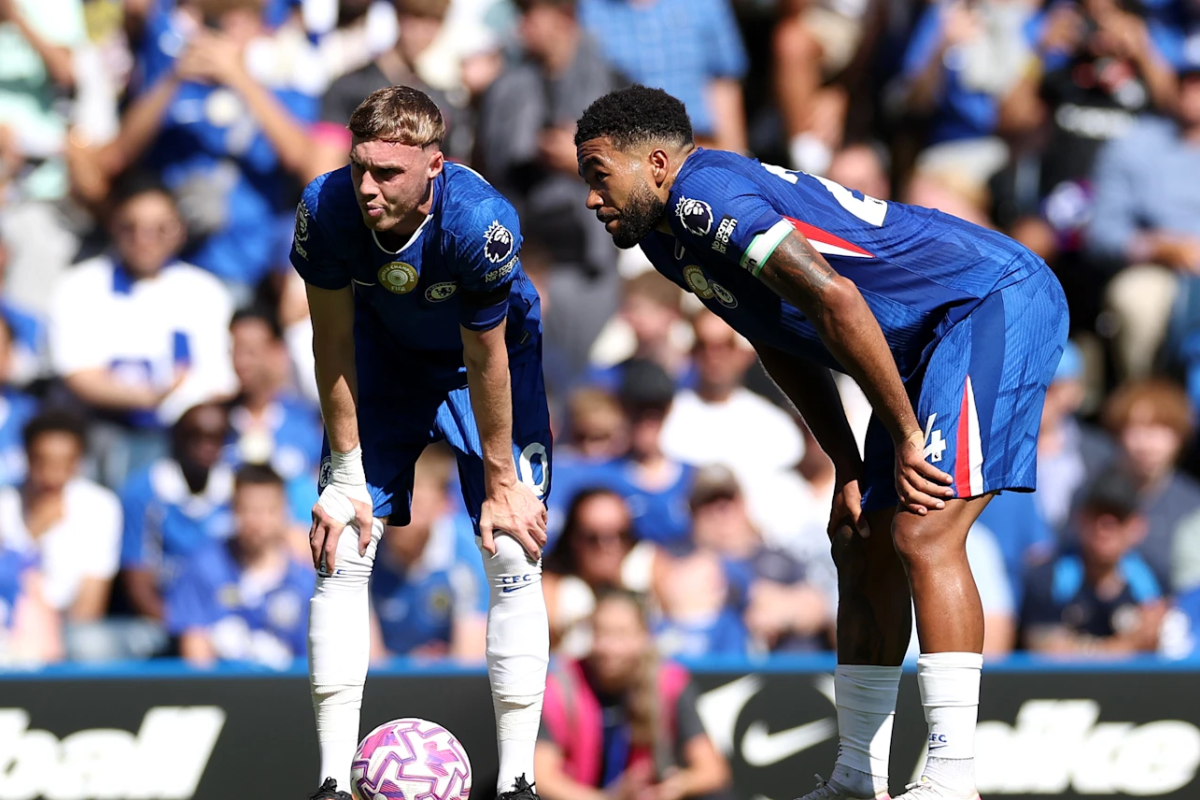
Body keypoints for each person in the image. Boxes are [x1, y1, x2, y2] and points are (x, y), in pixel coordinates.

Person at [574, 86, 1069, 800]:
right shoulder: (664, 238)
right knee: (860, 534)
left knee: (924, 532)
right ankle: (856, 780)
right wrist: (844, 460)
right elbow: (778, 337)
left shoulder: (698, 195)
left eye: (598, 173)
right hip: (919, 344)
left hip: (987, 302)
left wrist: (901, 435)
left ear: (656, 163)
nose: (592, 197)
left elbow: (834, 297)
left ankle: (952, 779)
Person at [291, 86, 552, 800]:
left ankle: (519, 781)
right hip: (384, 362)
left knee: (511, 541)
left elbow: (488, 354)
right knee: (341, 541)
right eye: (360, 168)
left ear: (434, 166)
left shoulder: (480, 223)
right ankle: (332, 783)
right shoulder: (325, 207)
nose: (367, 188)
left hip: (485, 370)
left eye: (388, 174)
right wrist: (344, 473)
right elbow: (331, 338)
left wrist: (502, 480)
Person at [48, 176, 237, 487]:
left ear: (180, 230)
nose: (144, 239)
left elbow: (219, 380)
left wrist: (162, 399)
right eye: (131, 227)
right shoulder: (79, 286)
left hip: (175, 437)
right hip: (97, 430)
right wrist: (153, 396)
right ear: (113, 226)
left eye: (160, 228)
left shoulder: (205, 291)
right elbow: (78, 375)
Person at [536, 588, 731, 800]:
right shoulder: (563, 687)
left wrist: (674, 787)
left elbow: (713, 770)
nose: (608, 648)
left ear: (644, 636)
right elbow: (541, 777)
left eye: (621, 634)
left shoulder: (669, 684)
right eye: (600, 632)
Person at [168, 464, 314, 669]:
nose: (258, 521)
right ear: (233, 509)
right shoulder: (205, 567)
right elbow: (195, 656)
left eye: (268, 510)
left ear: (284, 511)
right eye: (248, 510)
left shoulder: (306, 575)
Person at [1020, 469, 1164, 655]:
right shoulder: (1048, 578)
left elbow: (1158, 647)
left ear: (1137, 526)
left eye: (1118, 518)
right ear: (1079, 519)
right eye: (1097, 515)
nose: (1104, 528)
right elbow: (1046, 651)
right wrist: (1124, 647)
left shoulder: (1153, 582)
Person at [118, 402, 236, 626]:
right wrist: (185, 631)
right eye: (195, 436)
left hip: (227, 619)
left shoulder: (238, 490)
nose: (206, 446)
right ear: (177, 439)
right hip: (165, 619)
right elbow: (138, 581)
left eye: (216, 438)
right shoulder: (142, 492)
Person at [0, 411, 122, 623]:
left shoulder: (101, 507)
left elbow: (89, 605)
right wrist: (32, 533)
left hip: (68, 633)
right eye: (42, 462)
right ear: (27, 457)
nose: (52, 475)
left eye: (65, 463)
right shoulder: (5, 504)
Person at [369, 446, 487, 659]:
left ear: (443, 504)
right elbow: (367, 659)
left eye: (419, 505)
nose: (406, 519)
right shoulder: (365, 553)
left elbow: (468, 658)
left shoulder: (466, 554)